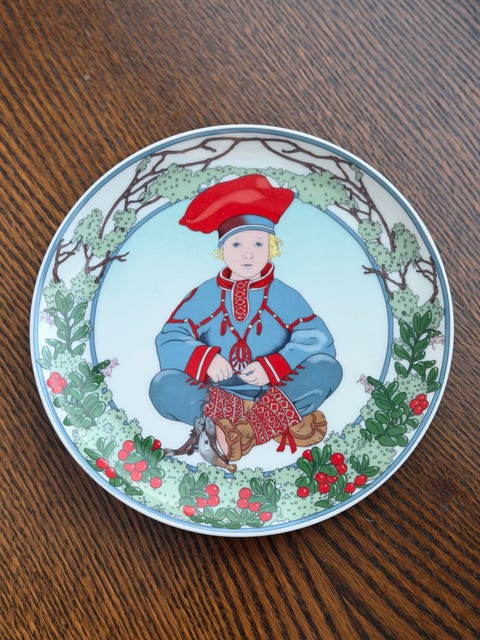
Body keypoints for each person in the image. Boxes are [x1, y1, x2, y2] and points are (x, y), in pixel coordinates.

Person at [149, 174, 342, 462]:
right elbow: (170, 338)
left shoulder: (283, 294)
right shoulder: (205, 294)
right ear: (222, 250)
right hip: (216, 394)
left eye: (258, 245)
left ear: (272, 248)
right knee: (163, 386)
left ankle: (240, 432)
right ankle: (273, 420)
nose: (248, 255)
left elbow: (318, 340)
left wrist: (273, 366)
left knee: (327, 369)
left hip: (276, 388)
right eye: (237, 245)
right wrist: (206, 359)